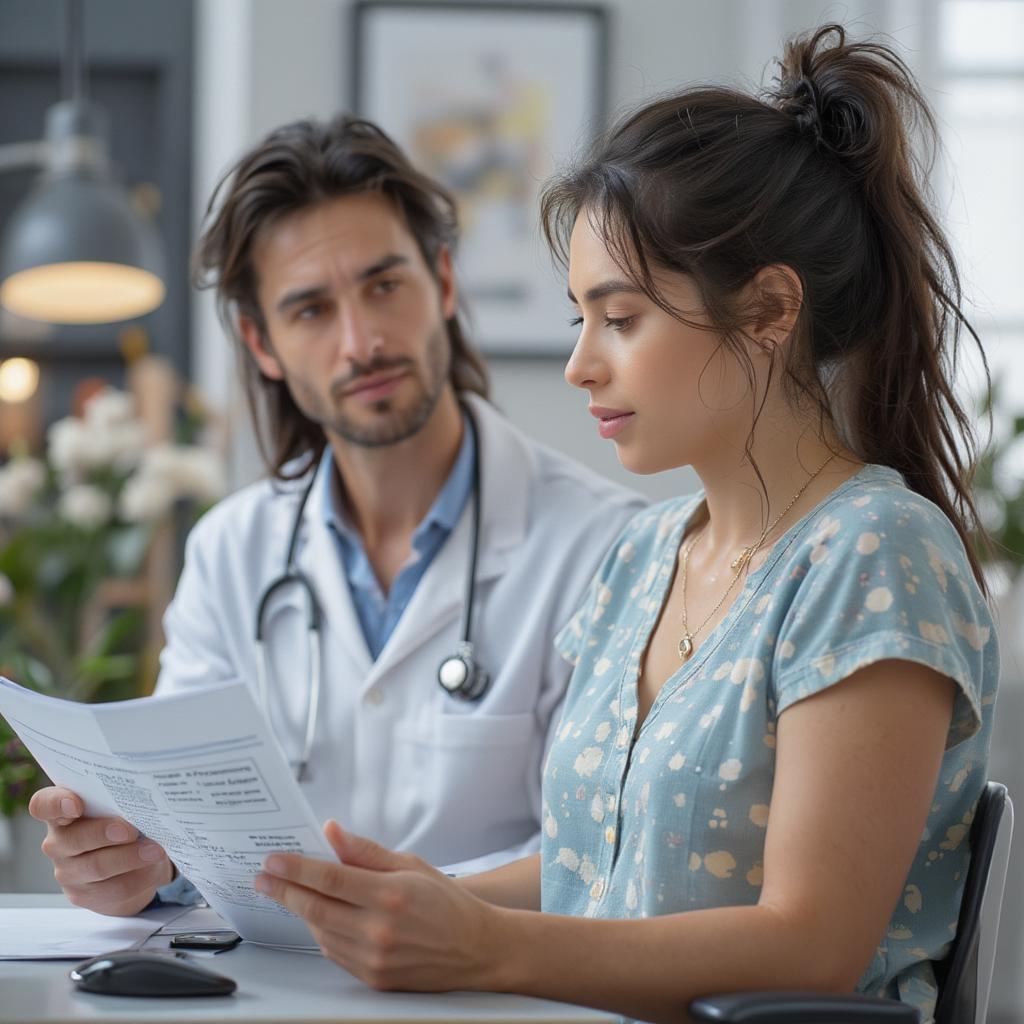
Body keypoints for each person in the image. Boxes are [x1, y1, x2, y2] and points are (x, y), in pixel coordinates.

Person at [242, 25, 999, 1024]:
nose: (580, 365)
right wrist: (416, 899)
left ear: (770, 308)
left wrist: (485, 945)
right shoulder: (641, 556)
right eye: (577, 319)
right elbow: (588, 866)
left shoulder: (874, 554)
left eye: (622, 318)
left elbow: (810, 946)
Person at [27, 116, 644, 917]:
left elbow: (602, 845)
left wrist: (409, 910)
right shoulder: (230, 551)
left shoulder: (607, 544)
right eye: (312, 310)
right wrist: (133, 862)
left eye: (385, 285)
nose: (363, 342)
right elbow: (181, 824)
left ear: (444, 284)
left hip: (497, 998)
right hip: (264, 992)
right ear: (262, 344)